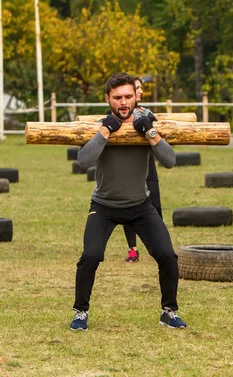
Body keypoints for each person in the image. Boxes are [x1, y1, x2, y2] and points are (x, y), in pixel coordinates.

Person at [70, 72, 186, 331]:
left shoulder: (147, 124)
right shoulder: (101, 125)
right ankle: (80, 312)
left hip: (140, 206)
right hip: (104, 206)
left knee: (167, 255)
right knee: (91, 255)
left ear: (136, 97)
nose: (123, 102)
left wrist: (150, 132)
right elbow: (83, 161)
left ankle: (169, 311)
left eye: (128, 97)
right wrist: (104, 132)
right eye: (117, 97)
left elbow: (170, 161)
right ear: (108, 99)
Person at [122, 77, 163, 262]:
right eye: (137, 88)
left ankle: (160, 245)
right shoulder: (116, 114)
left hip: (148, 166)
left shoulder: (146, 112)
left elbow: (159, 132)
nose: (140, 92)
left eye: (140, 88)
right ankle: (132, 248)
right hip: (129, 168)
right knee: (128, 208)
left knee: (155, 205)